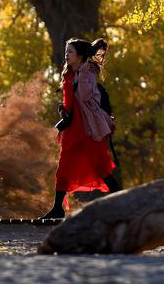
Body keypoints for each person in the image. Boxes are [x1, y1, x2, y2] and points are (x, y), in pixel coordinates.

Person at [39, 38, 121, 219]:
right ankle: (57, 208)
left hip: (88, 131)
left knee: (101, 168)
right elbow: (72, 102)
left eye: (70, 52)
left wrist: (83, 72)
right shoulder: (69, 74)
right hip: (72, 130)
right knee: (63, 168)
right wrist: (64, 110)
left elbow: (85, 97)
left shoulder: (87, 75)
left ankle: (124, 203)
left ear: (81, 56)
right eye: (66, 51)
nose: (66, 55)